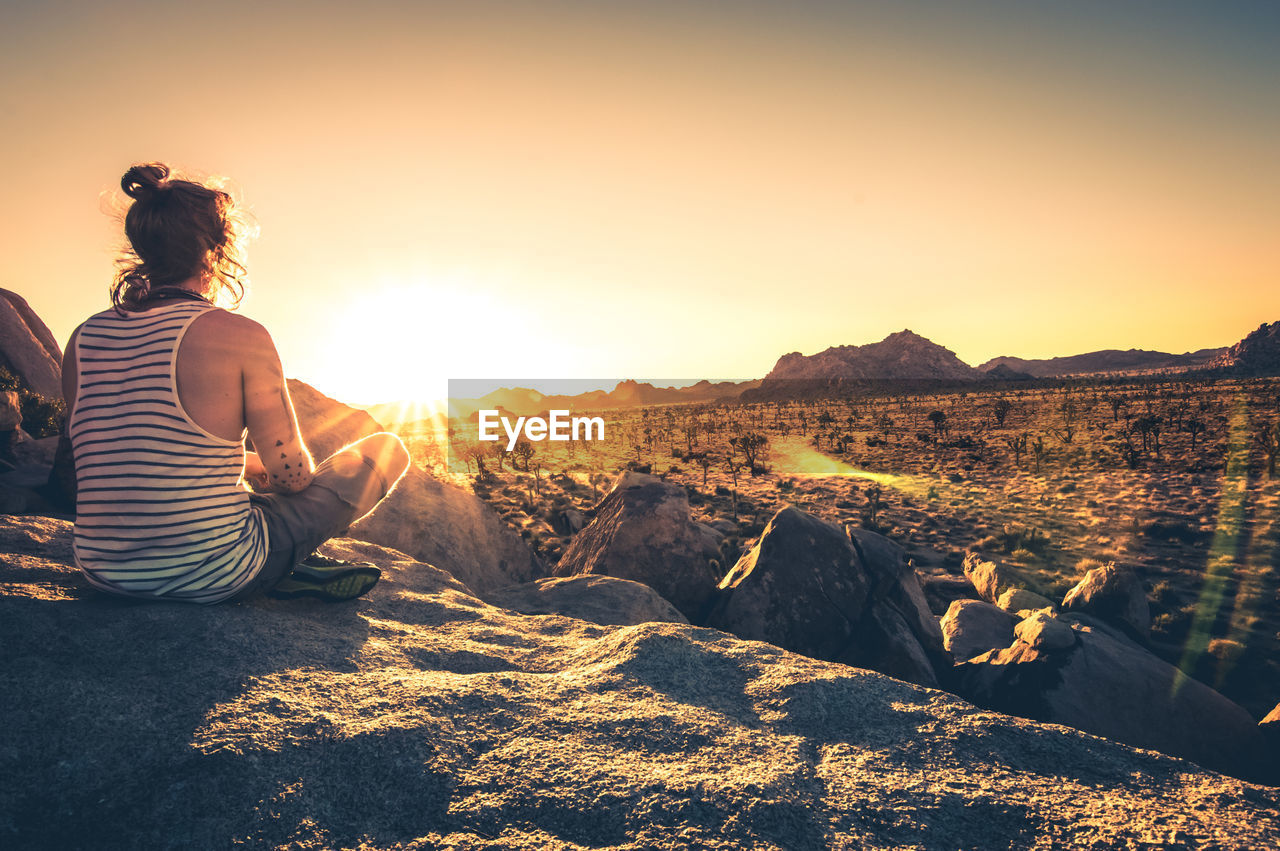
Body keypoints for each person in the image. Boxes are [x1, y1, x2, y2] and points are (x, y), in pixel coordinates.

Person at [61, 162, 410, 603]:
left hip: (104, 570)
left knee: (240, 495)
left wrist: (245, 465)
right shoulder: (241, 336)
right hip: (213, 574)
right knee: (387, 449)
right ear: (217, 247)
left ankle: (283, 566)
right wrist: (270, 468)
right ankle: (277, 566)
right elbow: (292, 479)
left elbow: (116, 451)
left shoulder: (83, 337)